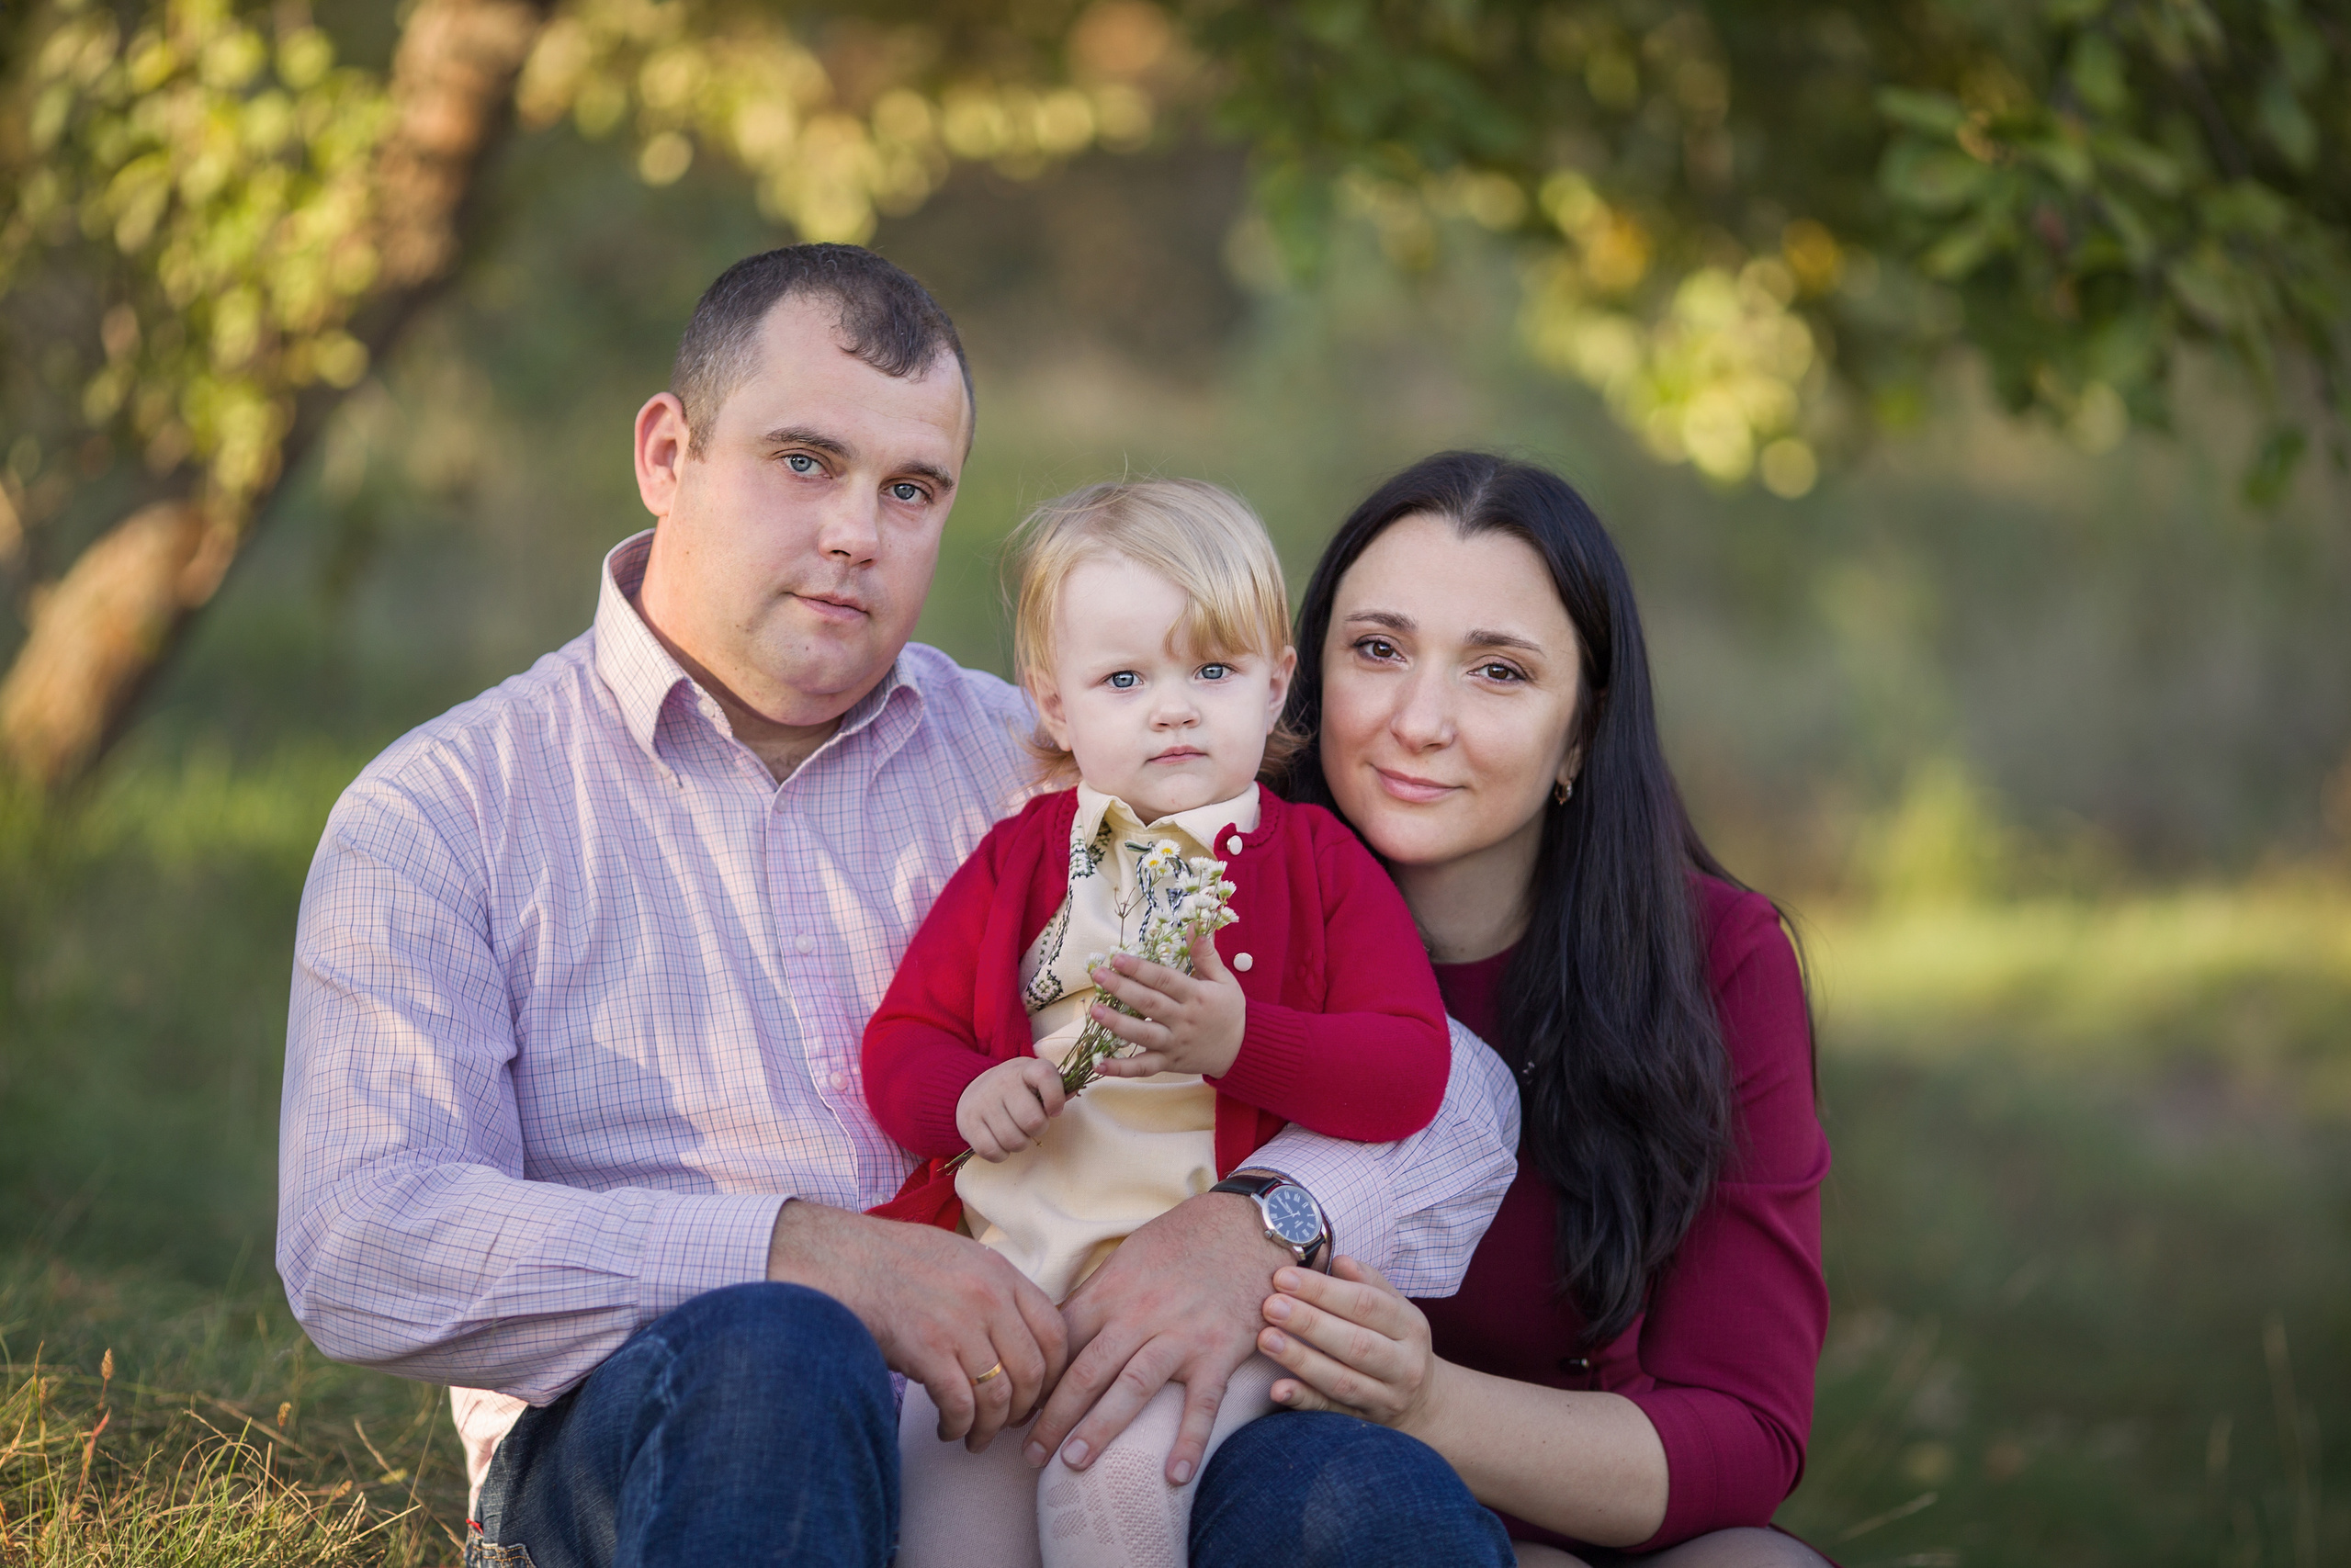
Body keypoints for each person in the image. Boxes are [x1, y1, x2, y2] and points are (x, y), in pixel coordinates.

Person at [276, 249, 1521, 1568]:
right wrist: (805, 1254)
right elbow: (361, 1236)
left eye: (911, 487)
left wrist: (1248, 1226)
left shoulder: (1051, 758)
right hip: (661, 1434)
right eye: (803, 460)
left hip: (1037, 1409)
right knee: (776, 1347)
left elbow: (1465, 1099)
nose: (857, 532)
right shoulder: (448, 807)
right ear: (667, 451)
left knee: (1356, 1493)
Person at [1232, 451, 1834, 1566]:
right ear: (1303, 677)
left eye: (1498, 672)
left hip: (1556, 1497)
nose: (1420, 721)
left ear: (1582, 730)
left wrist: (1424, 1403)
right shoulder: (1212, 905)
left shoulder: (1715, 962)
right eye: (1378, 650)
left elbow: (1745, 1431)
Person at [861, 479, 1461, 1568]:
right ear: (1054, 705)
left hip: (1211, 1300)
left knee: (1116, 1482)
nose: (1172, 708)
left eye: (1214, 671)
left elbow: (1409, 1070)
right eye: (1125, 679)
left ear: (1278, 683)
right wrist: (963, 1091)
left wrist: (1242, 1045)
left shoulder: (1319, 865)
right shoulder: (1022, 859)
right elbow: (903, 1039)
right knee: (943, 1507)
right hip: (1011, 1284)